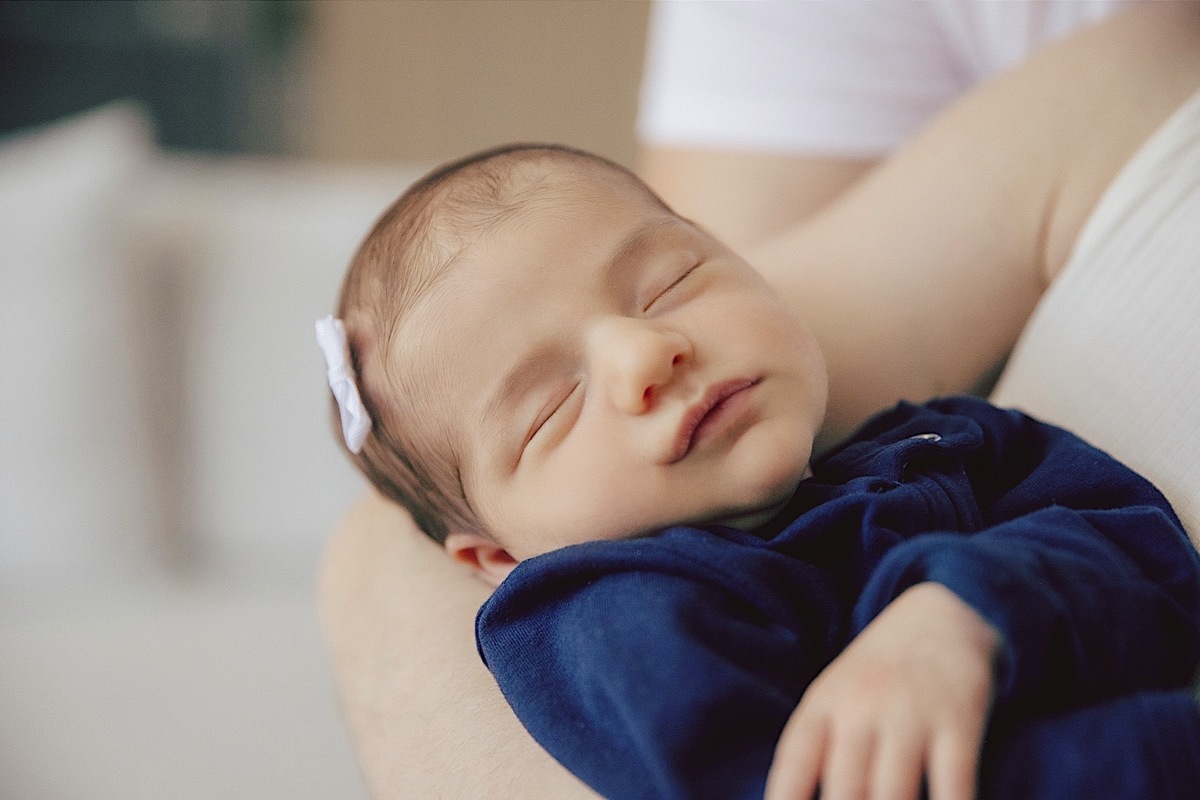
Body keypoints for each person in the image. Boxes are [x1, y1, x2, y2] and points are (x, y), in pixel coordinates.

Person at [316, 3, 1200, 798]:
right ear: (499, 559)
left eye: (671, 282)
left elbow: (1144, 544)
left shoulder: (935, 440)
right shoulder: (614, 624)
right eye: (552, 406)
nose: (647, 352)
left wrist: (959, 613)